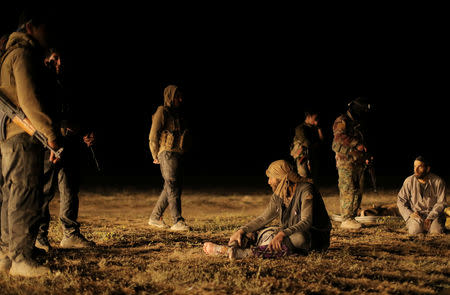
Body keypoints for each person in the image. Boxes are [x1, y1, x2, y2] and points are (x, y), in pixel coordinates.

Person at [0, 7, 61, 276]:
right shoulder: (23, 54)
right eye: (45, 26)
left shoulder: (9, 55)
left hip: (10, 138)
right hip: (23, 136)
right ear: (30, 27)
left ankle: (7, 254)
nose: (50, 32)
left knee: (10, 196)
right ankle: (22, 260)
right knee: (25, 195)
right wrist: (51, 134)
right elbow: (29, 101)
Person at [203, 160, 331, 260]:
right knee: (250, 232)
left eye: (271, 177)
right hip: (288, 235)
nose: (269, 182)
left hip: (313, 239)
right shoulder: (280, 193)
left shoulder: (306, 189)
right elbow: (264, 218)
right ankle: (230, 249)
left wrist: (282, 234)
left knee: (299, 238)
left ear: (281, 178)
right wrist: (241, 230)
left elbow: (306, 222)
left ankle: (246, 253)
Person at [34, 48, 96, 252]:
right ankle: (39, 235)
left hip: (69, 144)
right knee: (45, 190)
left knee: (70, 189)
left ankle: (70, 233)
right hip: (48, 143)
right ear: (46, 60)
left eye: (61, 58)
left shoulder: (68, 84)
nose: (59, 63)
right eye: (55, 59)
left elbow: (76, 113)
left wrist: (85, 131)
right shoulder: (39, 83)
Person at [147, 84, 191, 231]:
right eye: (177, 96)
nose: (180, 99)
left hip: (176, 153)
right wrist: (155, 154)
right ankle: (177, 221)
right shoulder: (162, 111)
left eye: (180, 96)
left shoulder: (176, 114)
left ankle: (155, 217)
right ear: (170, 97)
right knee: (172, 185)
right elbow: (153, 135)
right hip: (166, 153)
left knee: (171, 186)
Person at [332, 97, 372, 230]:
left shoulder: (355, 122)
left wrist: (364, 154)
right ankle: (346, 219)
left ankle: (352, 217)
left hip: (357, 162)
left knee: (357, 190)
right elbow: (338, 140)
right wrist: (357, 144)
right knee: (348, 189)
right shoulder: (342, 121)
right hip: (346, 163)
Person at [397, 156, 447, 235]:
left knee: (436, 232)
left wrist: (430, 217)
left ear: (427, 169)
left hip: (434, 215)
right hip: (416, 215)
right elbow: (400, 201)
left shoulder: (438, 182)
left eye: (419, 167)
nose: (415, 170)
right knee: (415, 231)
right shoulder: (409, 181)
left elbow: (441, 203)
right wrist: (410, 214)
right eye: (414, 166)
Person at [290, 109, 324, 184]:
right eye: (315, 119)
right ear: (308, 116)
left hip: (313, 156)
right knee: (304, 178)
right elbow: (306, 143)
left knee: (314, 179)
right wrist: (316, 144)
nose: (317, 121)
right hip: (303, 157)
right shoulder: (300, 128)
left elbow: (321, 142)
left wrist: (319, 130)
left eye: (318, 119)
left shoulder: (315, 129)